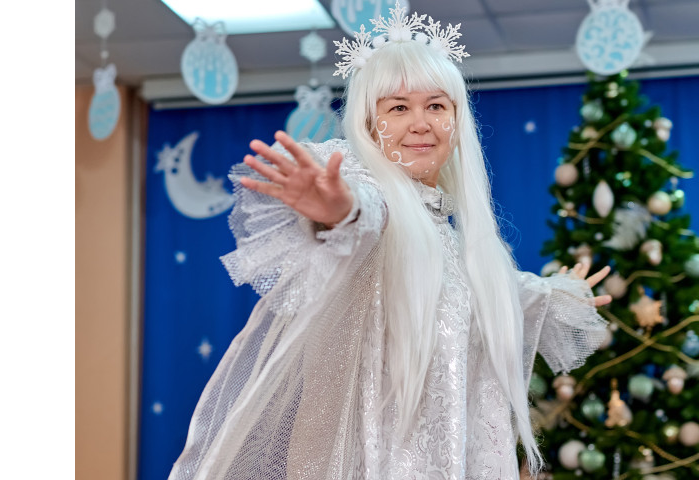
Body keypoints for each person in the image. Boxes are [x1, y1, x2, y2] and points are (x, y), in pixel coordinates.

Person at [169, 3, 611, 479]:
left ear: (457, 121)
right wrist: (337, 210)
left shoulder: (454, 241)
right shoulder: (374, 200)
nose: (420, 123)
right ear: (368, 125)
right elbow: (361, 221)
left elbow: (489, 295)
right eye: (398, 108)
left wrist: (556, 294)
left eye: (436, 106)